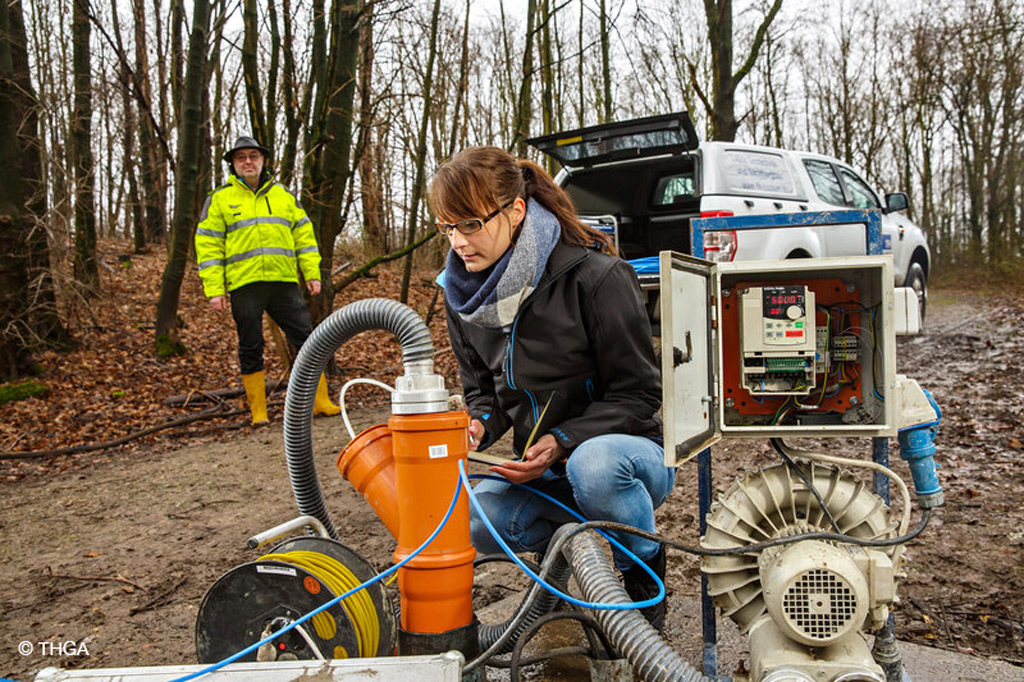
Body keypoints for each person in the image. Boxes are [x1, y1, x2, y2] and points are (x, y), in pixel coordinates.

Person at [430, 146, 675, 629]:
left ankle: (643, 571)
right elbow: (485, 393)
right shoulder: (461, 296)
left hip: (627, 458)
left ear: (516, 211)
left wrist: (563, 440)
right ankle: (560, 562)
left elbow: (641, 395)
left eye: (471, 224)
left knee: (595, 465)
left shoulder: (597, 277)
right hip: (542, 469)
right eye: (447, 227)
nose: (458, 241)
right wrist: (477, 425)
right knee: (474, 517)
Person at [194, 135, 339, 426]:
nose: (248, 161)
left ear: (262, 159)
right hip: (244, 285)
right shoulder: (220, 199)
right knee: (250, 345)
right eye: (241, 157)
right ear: (233, 164)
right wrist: (214, 290)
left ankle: (320, 401)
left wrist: (311, 273)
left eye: (253, 156)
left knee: (309, 340)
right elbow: (208, 246)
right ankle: (258, 411)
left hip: (283, 282)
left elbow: (304, 237)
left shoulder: (284, 196)